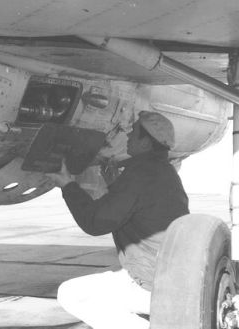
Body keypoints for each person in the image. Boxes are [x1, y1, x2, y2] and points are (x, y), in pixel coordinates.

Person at [47, 111, 189, 329]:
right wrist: (114, 183)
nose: (129, 137)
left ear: (145, 142)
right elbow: (138, 206)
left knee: (71, 294)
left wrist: (67, 184)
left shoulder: (139, 175)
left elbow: (95, 222)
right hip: (172, 278)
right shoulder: (164, 172)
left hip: (152, 285)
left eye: (134, 133)